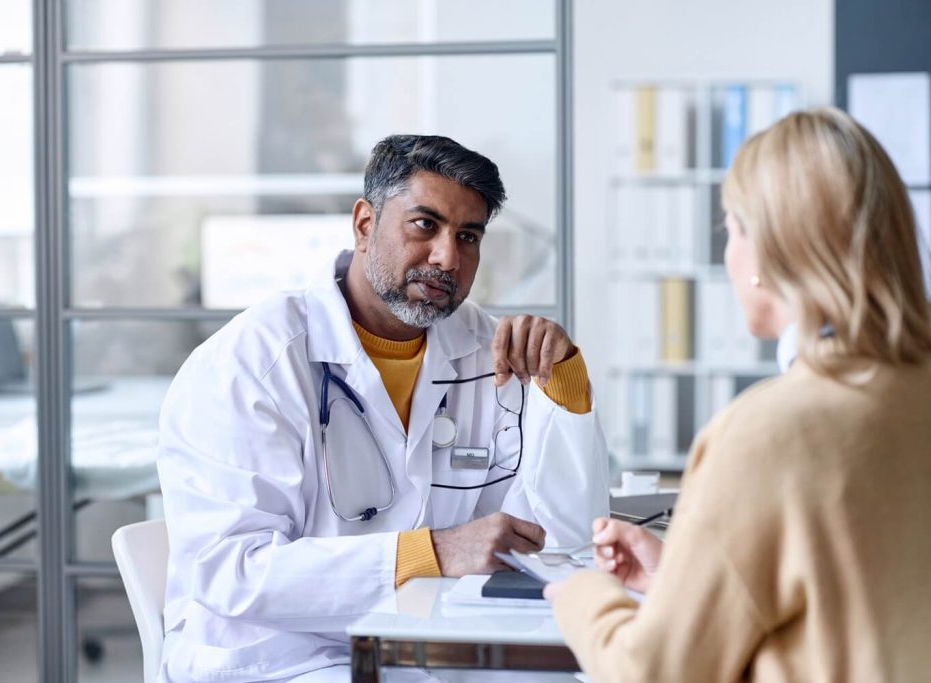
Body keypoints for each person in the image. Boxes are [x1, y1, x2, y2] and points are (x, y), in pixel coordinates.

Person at [157, 134, 610, 682]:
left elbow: (561, 540)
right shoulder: (252, 361)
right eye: (425, 225)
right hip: (275, 655)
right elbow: (233, 573)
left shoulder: (492, 353)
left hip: (430, 642)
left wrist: (564, 381)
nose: (447, 257)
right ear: (365, 224)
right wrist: (431, 553)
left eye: (468, 236)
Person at [545, 106, 931, 681]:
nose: (729, 255)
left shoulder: (771, 432)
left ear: (769, 253)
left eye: (732, 230)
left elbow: (653, 672)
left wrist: (581, 595)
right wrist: (683, 579)